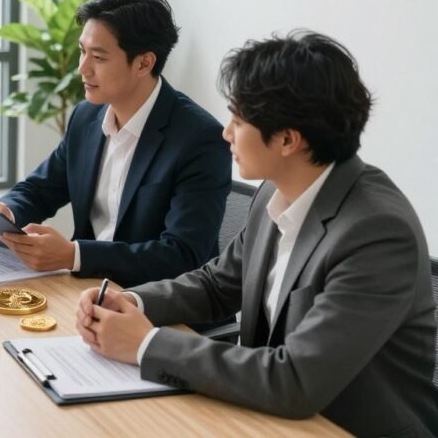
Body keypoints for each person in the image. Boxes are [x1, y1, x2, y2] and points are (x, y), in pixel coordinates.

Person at [76, 31, 438, 437]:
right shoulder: (277, 189)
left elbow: (297, 379)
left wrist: (145, 344)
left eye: (238, 120)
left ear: (287, 139)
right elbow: (217, 284)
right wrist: (132, 301)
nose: (226, 133)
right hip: (263, 418)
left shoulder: (377, 233)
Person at [0, 0, 231, 287]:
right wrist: (6, 211)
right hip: (87, 291)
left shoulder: (199, 140)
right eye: (82, 51)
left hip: (158, 308)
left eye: (98, 57)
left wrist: (74, 255)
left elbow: (181, 254)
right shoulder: (86, 117)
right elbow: (41, 188)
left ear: (144, 63)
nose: (82, 68)